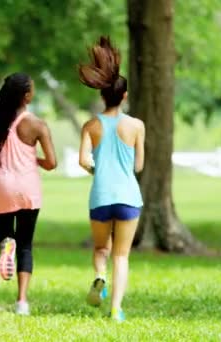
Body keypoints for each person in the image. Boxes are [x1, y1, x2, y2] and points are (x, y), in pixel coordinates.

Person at [0, 72, 57, 315]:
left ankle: (4, 246)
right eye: (32, 89)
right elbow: (52, 163)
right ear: (26, 96)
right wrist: (35, 161)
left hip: (2, 185)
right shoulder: (37, 124)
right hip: (28, 186)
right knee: (26, 245)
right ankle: (22, 302)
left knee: (5, 239)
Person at [77, 36, 145, 322]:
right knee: (122, 255)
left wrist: (97, 171)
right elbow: (139, 166)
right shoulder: (136, 125)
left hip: (101, 196)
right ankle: (116, 309)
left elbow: (82, 160)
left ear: (102, 95)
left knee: (101, 249)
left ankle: (99, 276)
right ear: (124, 96)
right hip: (128, 197)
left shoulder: (91, 126)